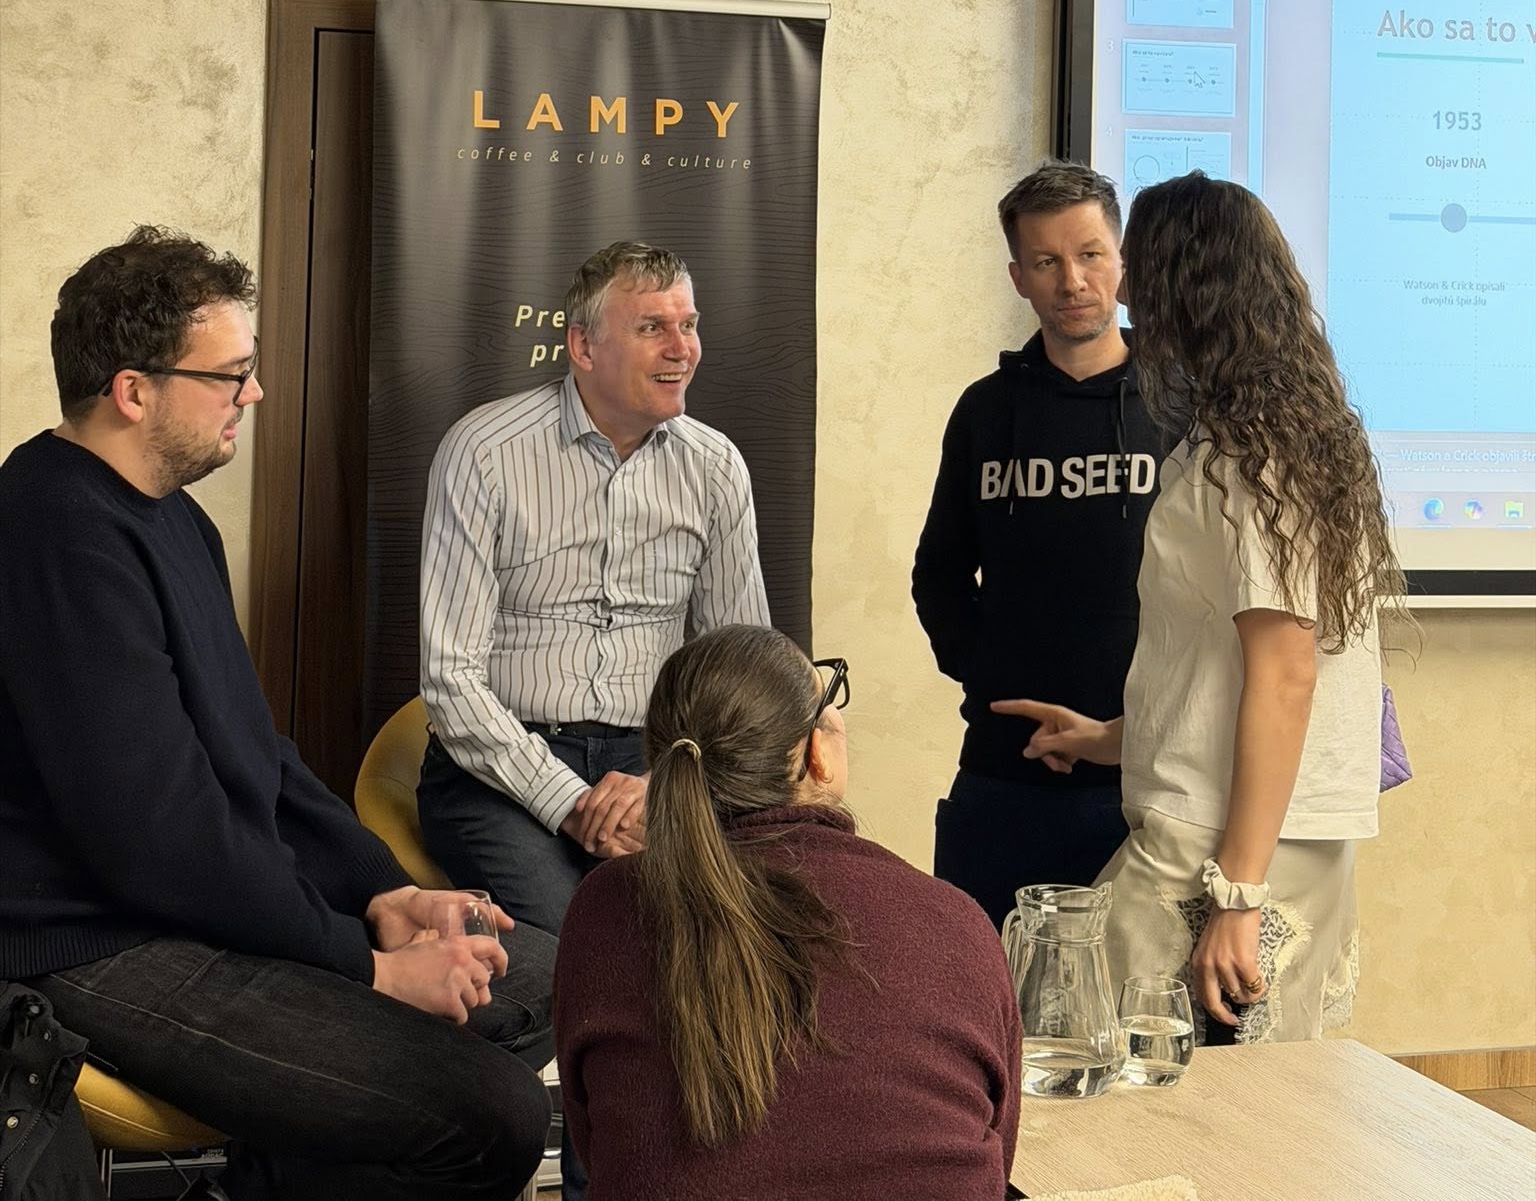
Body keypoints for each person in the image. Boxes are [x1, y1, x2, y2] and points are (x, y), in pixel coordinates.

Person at [0, 226, 556, 1200]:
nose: (253, 394)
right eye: (230, 374)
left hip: (186, 901)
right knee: (492, 1116)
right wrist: (367, 967)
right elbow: (159, 837)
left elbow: (255, 754)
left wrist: (381, 893)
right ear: (133, 391)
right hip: (96, 941)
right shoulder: (54, 531)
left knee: (556, 972)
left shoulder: (175, 516)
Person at [997, 172, 1401, 1042]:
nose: (1125, 295)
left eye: (1139, 272)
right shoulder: (1270, 438)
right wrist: (1115, 735)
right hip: (1247, 834)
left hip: (1227, 847)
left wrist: (1238, 895)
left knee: (1082, 1049)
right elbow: (1223, 661)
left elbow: (1287, 674)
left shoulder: (1254, 461)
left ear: (1191, 291)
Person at [417, 240, 769, 1194]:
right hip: (500, 770)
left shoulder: (715, 466)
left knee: (715, 941)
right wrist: (573, 801)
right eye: (653, 326)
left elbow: (740, 672)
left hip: (659, 768)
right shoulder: (484, 451)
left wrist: (666, 782)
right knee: (598, 947)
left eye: (689, 324)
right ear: (582, 346)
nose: (683, 347)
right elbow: (450, 681)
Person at [553, 625, 1022, 1200]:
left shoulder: (604, 909)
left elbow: (593, 1141)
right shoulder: (955, 922)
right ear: (815, 755)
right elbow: (998, 1156)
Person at [912, 160, 1167, 928]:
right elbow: (938, 575)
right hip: (1006, 771)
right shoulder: (986, 411)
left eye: (1090, 255)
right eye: (1047, 262)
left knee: (1138, 997)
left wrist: (1117, 732)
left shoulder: (1178, 407)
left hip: (1146, 777)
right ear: (1019, 277)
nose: (1073, 281)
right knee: (987, 988)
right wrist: (995, 681)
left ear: (1122, 262)